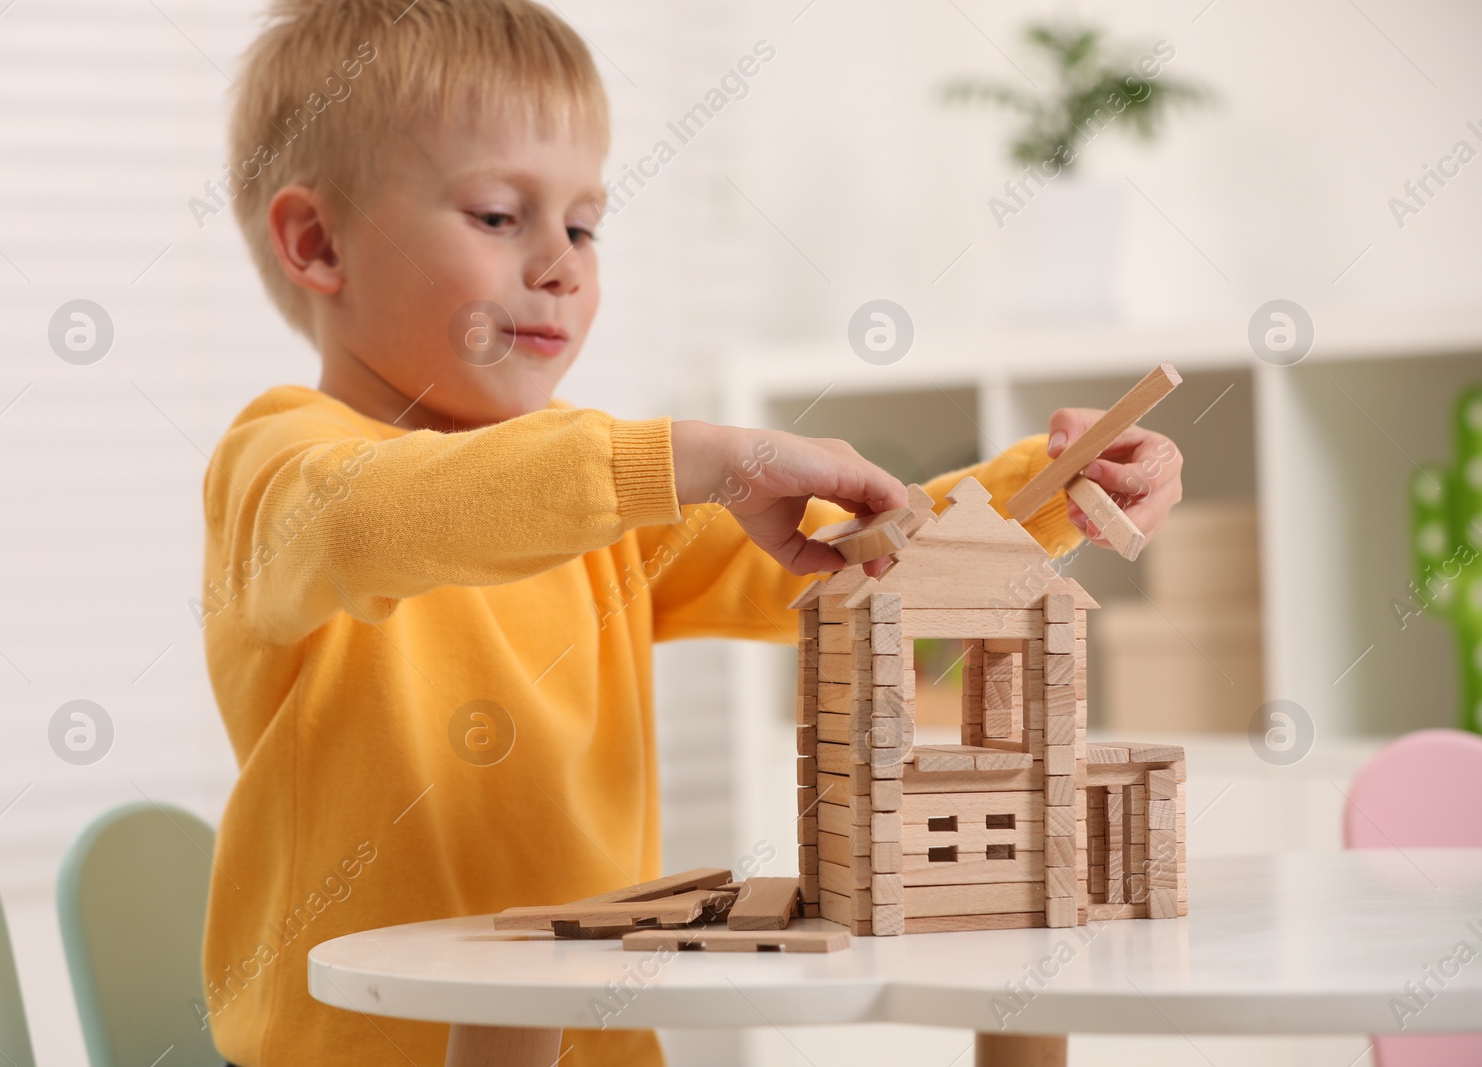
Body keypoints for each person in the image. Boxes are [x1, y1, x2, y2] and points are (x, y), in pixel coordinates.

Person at [197, 1, 1186, 1063]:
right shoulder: (281, 462)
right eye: (497, 216)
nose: (561, 264)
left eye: (582, 225)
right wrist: (683, 461)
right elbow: (371, 520)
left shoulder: (601, 496)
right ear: (316, 241)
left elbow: (847, 553)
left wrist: (1051, 485)